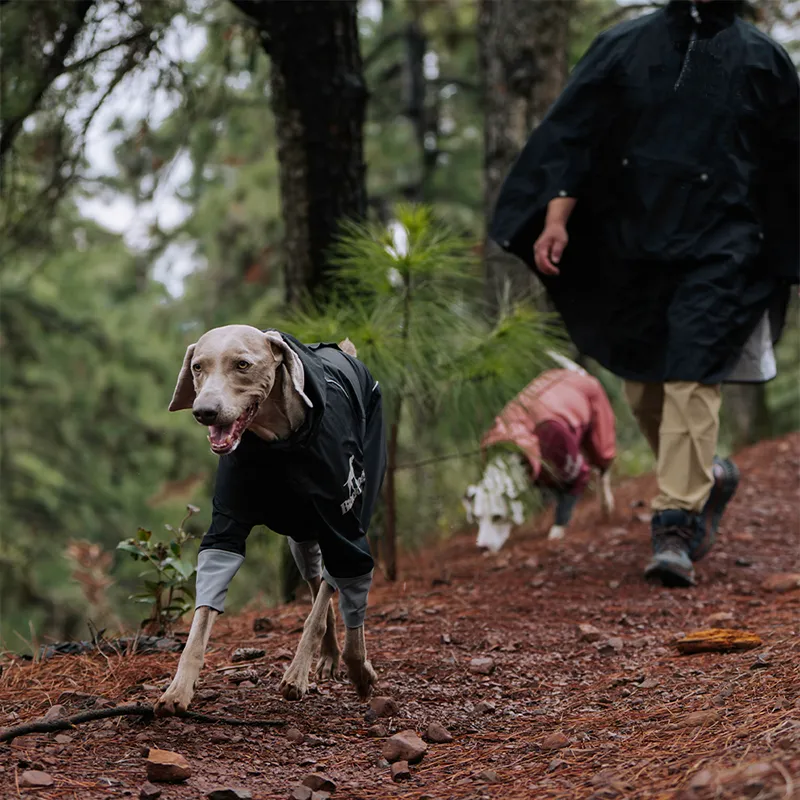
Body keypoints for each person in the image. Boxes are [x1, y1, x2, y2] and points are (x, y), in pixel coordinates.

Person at [489, 0, 799, 586]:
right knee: (642, 385)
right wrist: (556, 219)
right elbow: (574, 137)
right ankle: (705, 473)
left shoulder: (764, 60)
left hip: (725, 247)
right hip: (635, 244)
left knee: (692, 374)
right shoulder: (623, 47)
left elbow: (788, 163)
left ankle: (676, 523)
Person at [478, 364, 616, 544]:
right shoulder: (499, 433)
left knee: (600, 453)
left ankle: (605, 490)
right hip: (548, 399)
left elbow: (579, 475)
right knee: (553, 473)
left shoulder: (552, 434)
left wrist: (561, 523)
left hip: (581, 394)